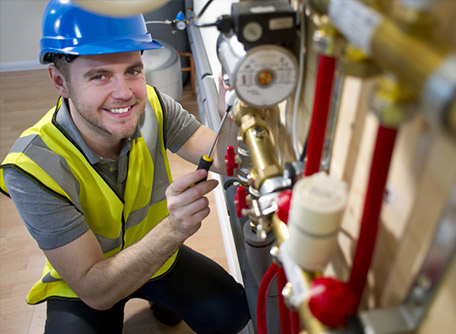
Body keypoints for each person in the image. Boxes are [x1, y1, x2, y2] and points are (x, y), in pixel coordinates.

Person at [0, 0, 250, 333]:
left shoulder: (155, 106)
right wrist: (173, 230)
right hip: (88, 281)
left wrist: (230, 110)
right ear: (60, 82)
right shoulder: (30, 168)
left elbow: (227, 156)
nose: (125, 93)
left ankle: (158, 295)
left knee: (232, 313)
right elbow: (94, 289)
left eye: (132, 70)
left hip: (157, 257)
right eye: (99, 76)